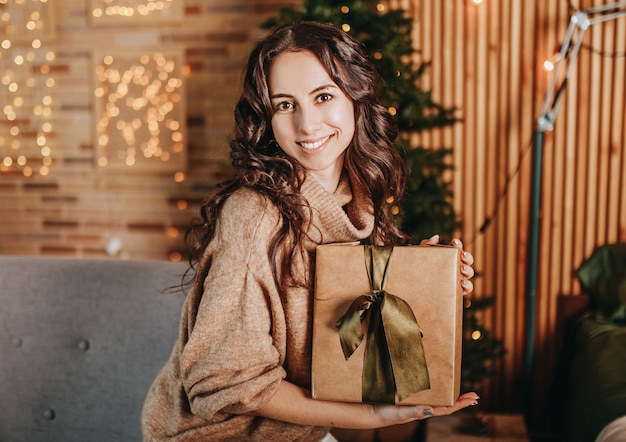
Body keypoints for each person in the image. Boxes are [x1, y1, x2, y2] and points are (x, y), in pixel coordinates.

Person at [142, 20, 478, 442]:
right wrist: (376, 417)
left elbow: (344, 323)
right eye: (285, 105)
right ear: (267, 117)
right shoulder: (253, 215)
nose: (307, 124)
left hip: (296, 433)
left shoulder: (354, 197)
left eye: (323, 97)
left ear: (354, 98)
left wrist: (424, 284)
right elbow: (224, 381)